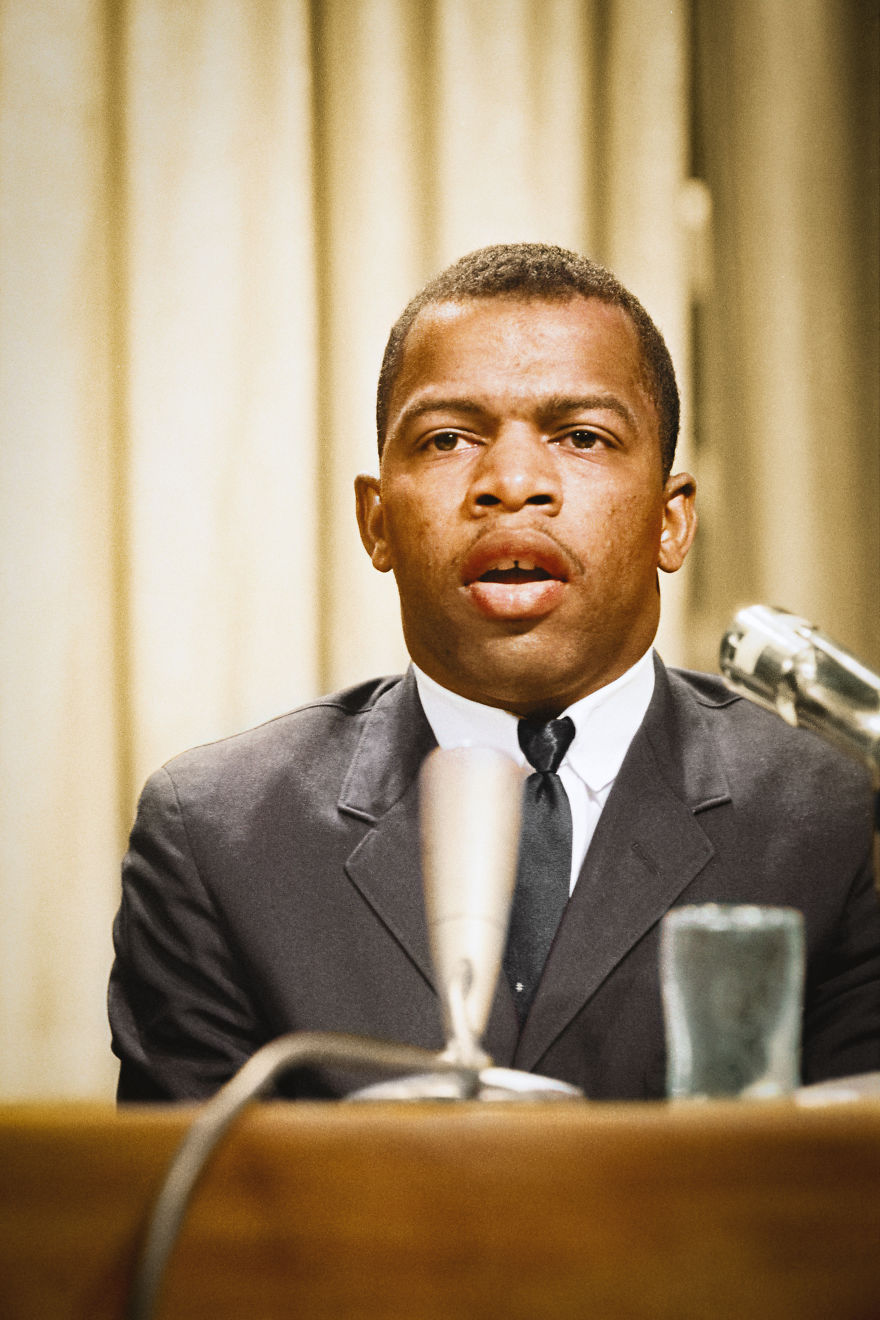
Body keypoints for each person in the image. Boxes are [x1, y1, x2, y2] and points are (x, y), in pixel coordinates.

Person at [109, 243, 880, 1101]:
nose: (512, 483)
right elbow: (178, 1213)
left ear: (671, 522)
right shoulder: (218, 836)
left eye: (582, 436)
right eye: (448, 439)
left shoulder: (828, 816)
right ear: (377, 523)